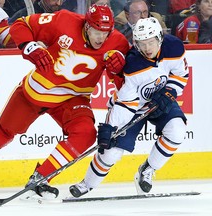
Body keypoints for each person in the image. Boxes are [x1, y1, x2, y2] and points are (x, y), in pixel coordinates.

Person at [0, 4, 130, 198]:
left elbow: (126, 85)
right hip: (37, 91)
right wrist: (30, 47)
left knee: (85, 133)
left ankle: (41, 177)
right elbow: (20, 26)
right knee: (3, 132)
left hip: (73, 98)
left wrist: (118, 71)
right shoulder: (63, 21)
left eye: (106, 32)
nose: (101, 37)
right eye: (97, 31)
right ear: (87, 26)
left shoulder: (118, 43)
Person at [69, 17, 189, 198]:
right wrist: (111, 127)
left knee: (177, 130)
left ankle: (147, 170)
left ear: (159, 38)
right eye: (142, 44)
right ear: (136, 43)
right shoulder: (133, 65)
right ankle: (87, 184)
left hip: (161, 99)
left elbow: (181, 73)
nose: (147, 48)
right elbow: (126, 103)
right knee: (111, 153)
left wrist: (170, 92)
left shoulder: (174, 47)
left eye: (151, 42)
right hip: (135, 107)